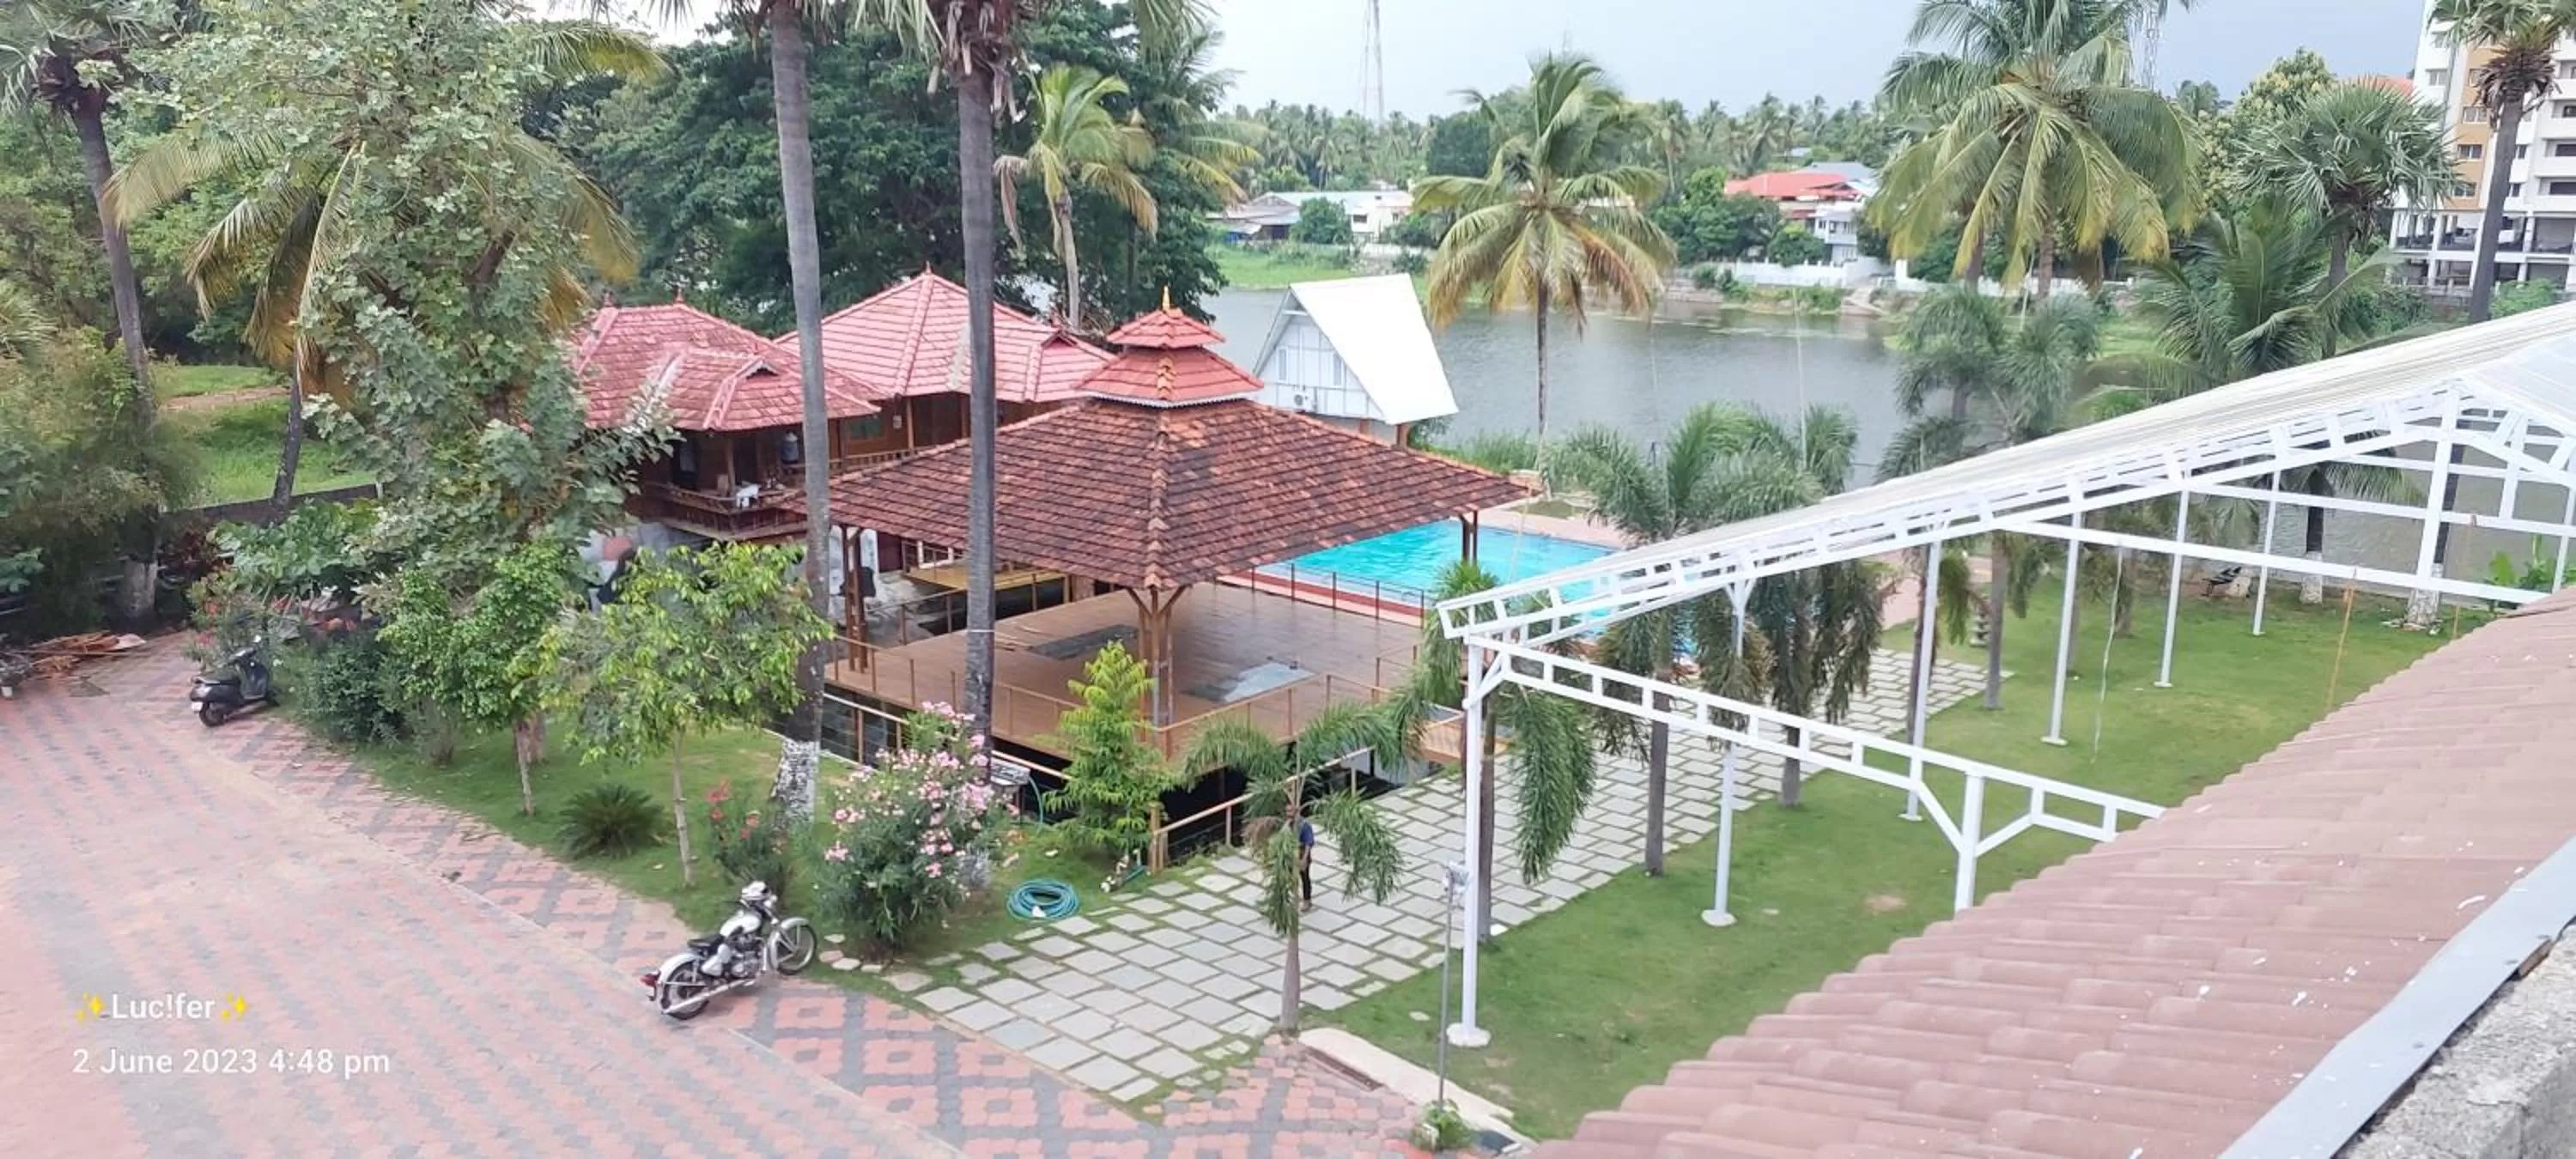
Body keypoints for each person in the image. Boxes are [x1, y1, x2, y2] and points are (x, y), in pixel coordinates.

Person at [1297, 816, 1315, 912]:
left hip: (1301, 854)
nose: (1288, 813)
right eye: (1287, 811)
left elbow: (1308, 843)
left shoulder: (1304, 825)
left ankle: (1307, 900)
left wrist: (1304, 859)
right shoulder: (1287, 823)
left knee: (1305, 878)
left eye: (1290, 811)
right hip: (1292, 855)